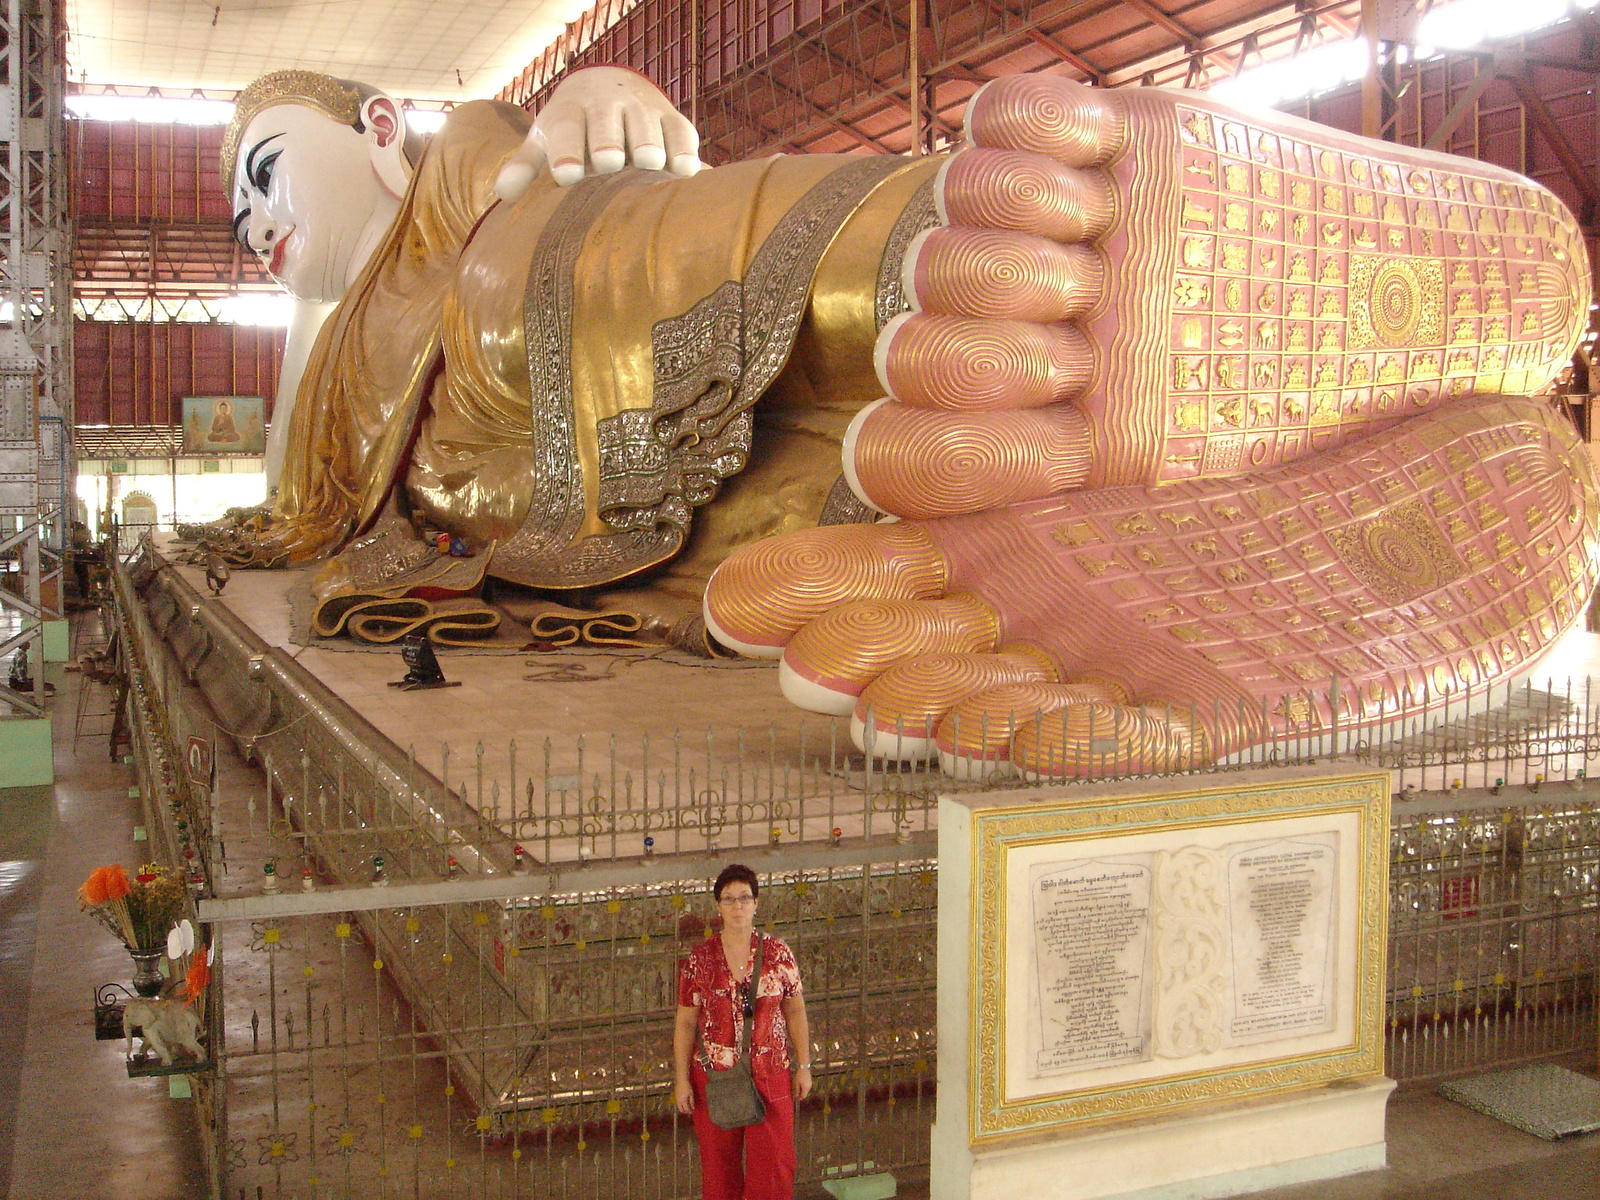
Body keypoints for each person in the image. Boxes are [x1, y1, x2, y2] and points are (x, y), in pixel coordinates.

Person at [222, 61, 1600, 775]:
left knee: (636, 275)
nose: (258, 230)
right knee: (860, 504)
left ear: (378, 124)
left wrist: (596, 97)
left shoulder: (458, 159)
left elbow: (559, 154)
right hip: (551, 507)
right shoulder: (336, 364)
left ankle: (1047, 253)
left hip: (531, 301)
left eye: (269, 179)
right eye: (239, 222)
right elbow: (323, 514)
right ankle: (1130, 488)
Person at [675, 864, 812, 1200]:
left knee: (775, 1167)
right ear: (718, 906)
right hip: (715, 1075)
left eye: (744, 898)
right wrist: (681, 1080)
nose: (737, 906)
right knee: (719, 1172)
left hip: (771, 1070)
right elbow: (685, 1023)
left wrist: (804, 1066)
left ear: (756, 904)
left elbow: (795, 1010)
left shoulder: (778, 953)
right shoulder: (700, 959)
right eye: (729, 899)